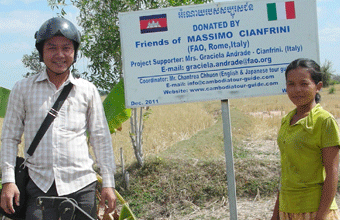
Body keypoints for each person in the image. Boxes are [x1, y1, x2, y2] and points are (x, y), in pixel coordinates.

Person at [0, 17, 117, 219]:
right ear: (41, 52)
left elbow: (100, 138)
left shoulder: (87, 90)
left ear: (75, 52)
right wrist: (8, 181)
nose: (60, 55)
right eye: (52, 48)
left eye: (66, 48)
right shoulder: (22, 88)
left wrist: (108, 182)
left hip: (82, 187)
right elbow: (10, 138)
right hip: (38, 186)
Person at [271, 58, 340, 220]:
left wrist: (320, 217)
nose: (297, 90)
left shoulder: (324, 121)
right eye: (291, 84)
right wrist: (276, 214)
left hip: (314, 210)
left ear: (318, 87)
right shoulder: (287, 120)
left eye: (304, 84)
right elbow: (287, 172)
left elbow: (332, 173)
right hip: (287, 209)